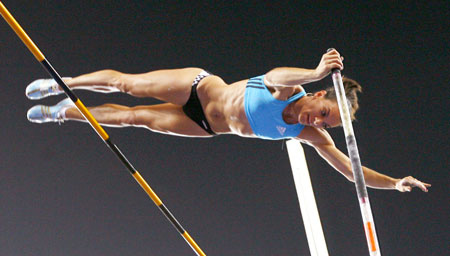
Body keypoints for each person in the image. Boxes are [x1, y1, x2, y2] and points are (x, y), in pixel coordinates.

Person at [25, 49, 430, 193]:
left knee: (134, 119)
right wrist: (314, 71)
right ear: (320, 96)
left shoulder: (307, 134)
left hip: (205, 127)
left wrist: (394, 182)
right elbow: (276, 75)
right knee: (127, 86)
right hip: (199, 89)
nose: (319, 123)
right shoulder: (288, 90)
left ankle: (61, 113)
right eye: (324, 114)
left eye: (328, 125)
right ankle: (61, 83)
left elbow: (350, 171)